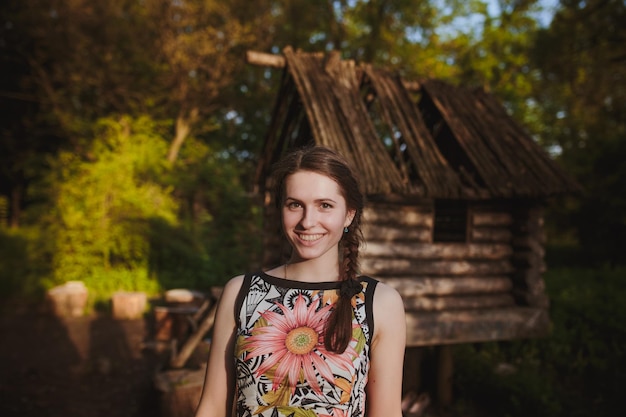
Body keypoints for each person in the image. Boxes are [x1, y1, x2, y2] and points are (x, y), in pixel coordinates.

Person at [194, 146, 406, 417]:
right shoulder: (241, 293)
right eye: (295, 204)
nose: (308, 221)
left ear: (349, 215)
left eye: (325, 206)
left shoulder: (379, 303)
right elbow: (211, 407)